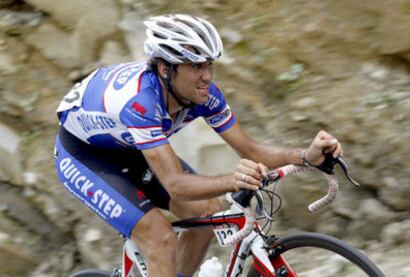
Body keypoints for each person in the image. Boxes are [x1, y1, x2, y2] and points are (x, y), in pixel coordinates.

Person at [54, 14, 343, 276]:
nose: (207, 76)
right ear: (166, 70)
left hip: (130, 146)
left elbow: (252, 151)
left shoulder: (203, 94)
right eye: (196, 66)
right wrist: (234, 179)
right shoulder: (140, 103)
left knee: (209, 213)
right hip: (84, 155)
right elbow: (176, 185)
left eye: (209, 64)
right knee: (160, 237)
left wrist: (306, 156)